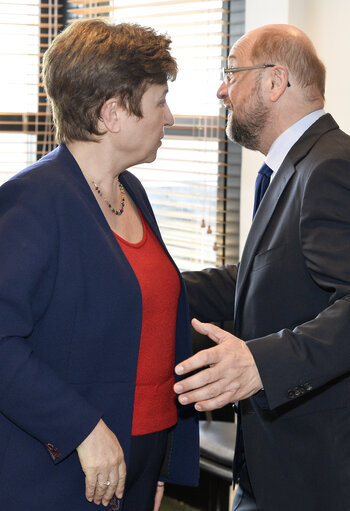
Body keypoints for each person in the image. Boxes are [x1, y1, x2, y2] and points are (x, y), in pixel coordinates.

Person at [0, 18, 199, 511]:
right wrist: (82, 428)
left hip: (139, 461)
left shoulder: (133, 192)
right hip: (66, 473)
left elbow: (154, 337)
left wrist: (160, 465)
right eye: (160, 101)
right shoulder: (32, 202)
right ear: (113, 113)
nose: (169, 117)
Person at [173, 23, 350, 511]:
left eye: (231, 72)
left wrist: (260, 363)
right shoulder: (295, 166)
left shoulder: (331, 166)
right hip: (271, 469)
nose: (220, 88)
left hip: (314, 478)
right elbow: (258, 278)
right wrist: (155, 286)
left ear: (274, 82)